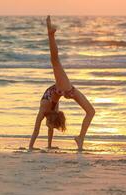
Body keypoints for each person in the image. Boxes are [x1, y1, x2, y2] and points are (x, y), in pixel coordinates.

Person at [29, 16, 95, 151]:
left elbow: (37, 129)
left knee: (55, 60)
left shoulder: (46, 110)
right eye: (51, 125)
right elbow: (37, 130)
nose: (50, 127)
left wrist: (36, 147)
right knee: (55, 61)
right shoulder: (50, 111)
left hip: (62, 88)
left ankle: (80, 138)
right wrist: (31, 147)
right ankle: (80, 138)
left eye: (50, 125)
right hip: (66, 89)